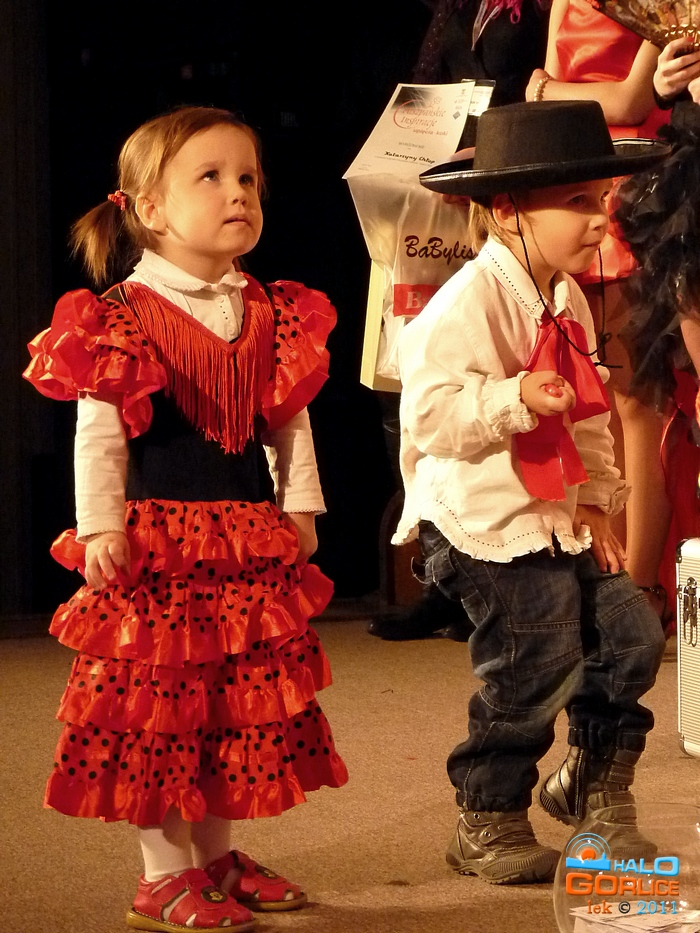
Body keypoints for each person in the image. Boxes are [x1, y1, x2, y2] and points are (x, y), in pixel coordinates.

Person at [23, 105, 348, 932]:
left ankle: (214, 857)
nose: (238, 193)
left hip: (244, 542)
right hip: (159, 549)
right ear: (150, 208)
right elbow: (99, 433)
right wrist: (100, 525)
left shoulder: (270, 309)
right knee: (161, 711)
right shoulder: (119, 316)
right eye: (211, 177)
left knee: (233, 705)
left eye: (249, 179)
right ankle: (163, 874)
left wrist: (299, 504)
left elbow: (290, 419)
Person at [393, 100, 668, 884]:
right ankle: (486, 815)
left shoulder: (566, 298)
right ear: (509, 209)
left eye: (602, 198)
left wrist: (597, 497)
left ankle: (592, 781)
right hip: (484, 517)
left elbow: (588, 411)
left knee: (631, 635)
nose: (599, 218)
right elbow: (430, 417)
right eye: (578, 201)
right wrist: (511, 397)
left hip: (555, 511)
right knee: (534, 658)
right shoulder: (465, 303)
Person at [368, 0, 552, 642]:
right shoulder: (453, 6)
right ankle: (443, 574)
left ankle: (496, 569)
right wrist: (409, 160)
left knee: (493, 375)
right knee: (410, 378)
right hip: (434, 199)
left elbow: (547, 91)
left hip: (511, 191)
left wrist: (484, 161)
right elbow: (420, 93)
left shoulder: (544, 7)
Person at [525, 0, 676, 628]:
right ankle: (608, 577)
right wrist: (548, 93)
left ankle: (640, 585)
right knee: (593, 394)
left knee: (638, 399)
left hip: (637, 181)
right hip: (575, 176)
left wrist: (546, 91)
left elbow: (631, 100)